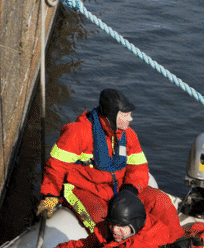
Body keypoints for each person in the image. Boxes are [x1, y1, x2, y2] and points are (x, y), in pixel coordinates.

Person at [38, 89, 149, 231]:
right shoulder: (77, 132)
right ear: (112, 115)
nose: (131, 119)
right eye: (125, 115)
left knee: (158, 202)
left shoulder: (129, 135)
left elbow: (139, 168)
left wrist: (130, 191)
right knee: (102, 224)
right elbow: (56, 166)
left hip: (119, 190)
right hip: (83, 190)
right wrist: (50, 196)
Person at [55, 185, 183, 248]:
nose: (115, 230)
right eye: (112, 224)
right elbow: (85, 244)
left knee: (159, 199)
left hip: (118, 187)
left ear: (135, 225)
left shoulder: (144, 244)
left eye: (121, 226)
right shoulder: (110, 230)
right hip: (94, 188)